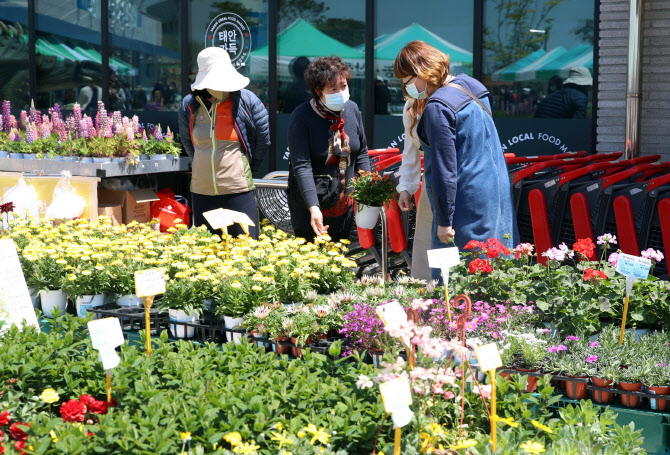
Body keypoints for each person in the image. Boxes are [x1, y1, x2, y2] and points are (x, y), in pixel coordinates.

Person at [394, 40, 517, 279]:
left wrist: (443, 221)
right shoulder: (472, 85)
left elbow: (444, 170)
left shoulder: (437, 107)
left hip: (465, 202)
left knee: (453, 279)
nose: (405, 88)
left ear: (422, 73)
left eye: (407, 81)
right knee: (497, 267)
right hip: (494, 191)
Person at [178, 47, 270, 239]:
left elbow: (263, 141)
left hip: (238, 190)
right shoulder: (189, 104)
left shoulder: (247, 100)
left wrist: (246, 171)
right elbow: (188, 143)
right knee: (207, 253)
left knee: (245, 250)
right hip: (201, 191)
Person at [287, 56, 371, 242]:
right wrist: (313, 207)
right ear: (318, 91)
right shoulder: (302, 116)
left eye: (343, 86)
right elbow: (301, 165)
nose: (341, 92)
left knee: (341, 259)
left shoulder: (352, 109)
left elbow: (362, 152)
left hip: (345, 204)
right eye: (333, 89)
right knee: (313, 265)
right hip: (311, 207)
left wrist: (367, 189)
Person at [396, 97, 434, 281]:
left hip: (461, 179)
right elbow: (410, 150)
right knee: (427, 240)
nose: (406, 87)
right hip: (431, 180)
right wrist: (406, 188)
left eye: (408, 80)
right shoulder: (410, 105)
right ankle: (428, 297)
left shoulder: (444, 98)